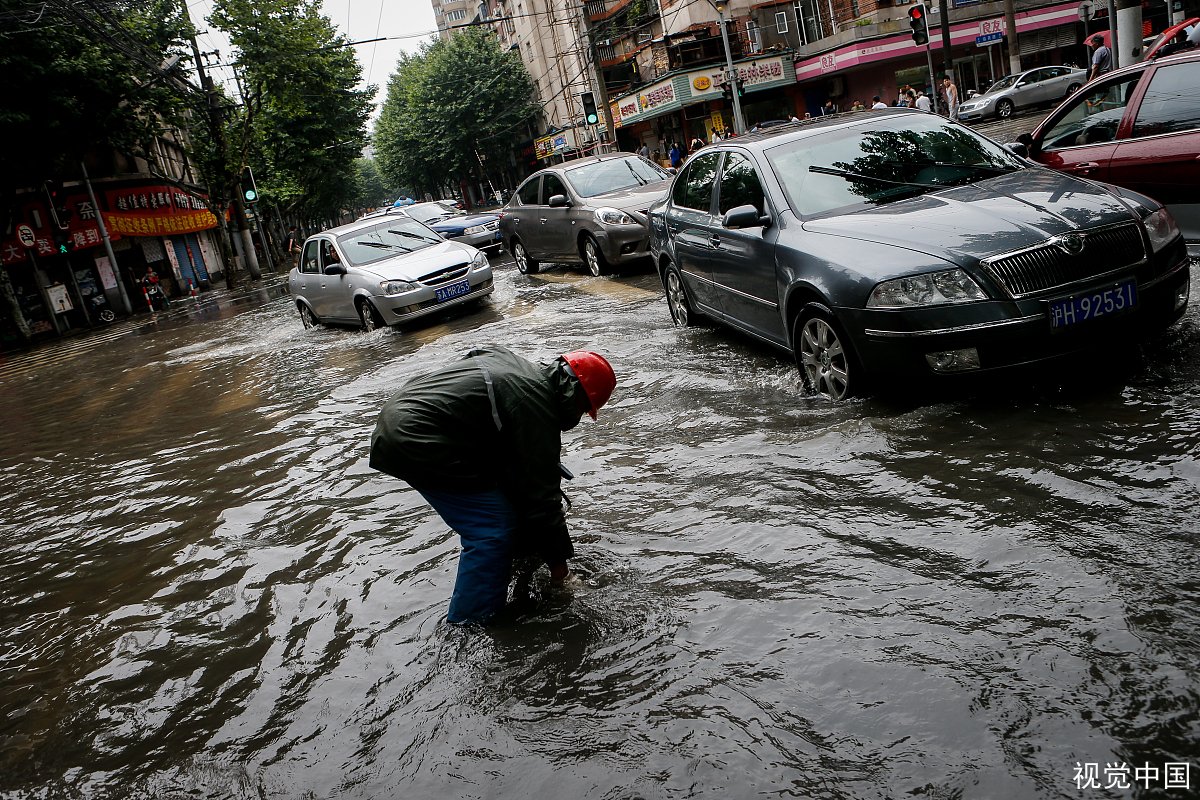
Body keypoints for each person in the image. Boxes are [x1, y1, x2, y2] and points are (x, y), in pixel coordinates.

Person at [369, 346, 617, 625]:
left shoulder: (518, 366)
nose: (581, 416)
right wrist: (562, 575)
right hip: (415, 437)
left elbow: (475, 354)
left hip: (404, 410)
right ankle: (470, 624)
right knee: (492, 528)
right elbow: (543, 501)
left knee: (509, 492)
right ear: (577, 398)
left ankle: (515, 562)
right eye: (585, 410)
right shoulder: (535, 406)